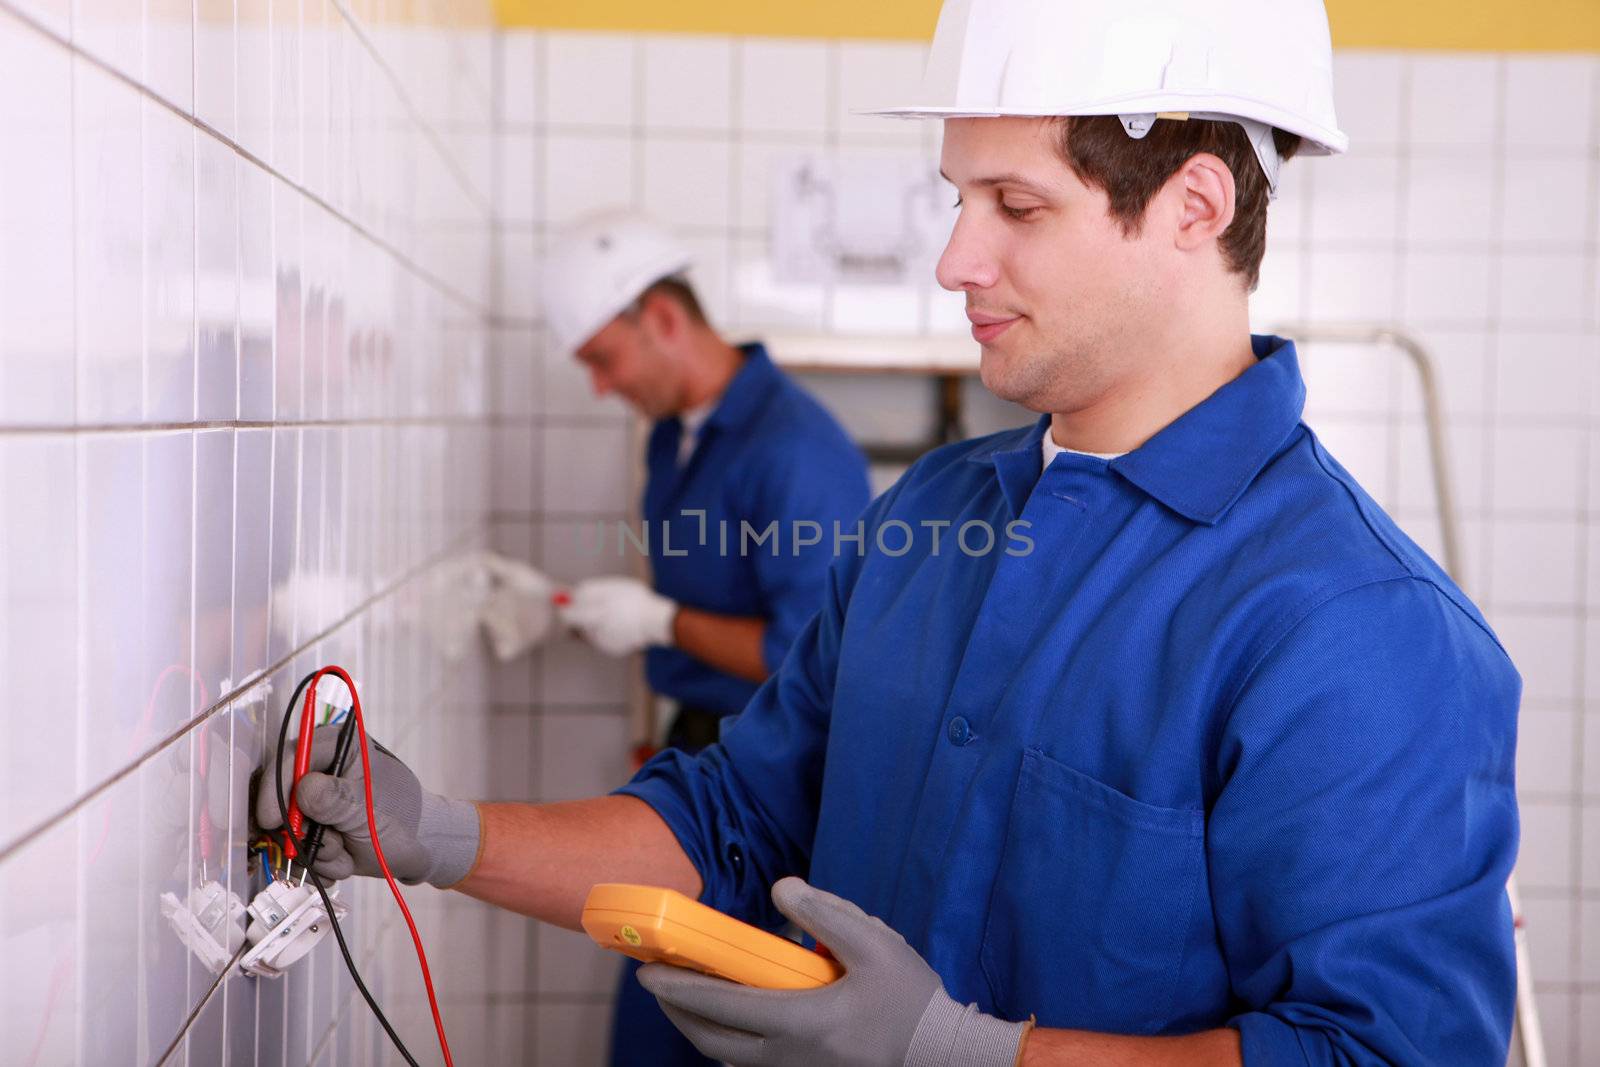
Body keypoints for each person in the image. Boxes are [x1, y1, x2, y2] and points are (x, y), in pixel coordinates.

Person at [255, 1, 1521, 1063]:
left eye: (1014, 206)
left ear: (1193, 206)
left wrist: (965, 1050)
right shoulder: (929, 515)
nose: (955, 258)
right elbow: (732, 819)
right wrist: (443, 836)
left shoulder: (1354, 629)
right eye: (957, 198)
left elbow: (1380, 1050)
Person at [540, 210, 872, 1065]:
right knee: (654, 1024)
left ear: (661, 318)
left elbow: (809, 657)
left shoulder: (794, 449)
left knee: (696, 1037)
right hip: (699, 766)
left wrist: (657, 623)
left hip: (772, 806)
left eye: (602, 361)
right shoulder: (671, 440)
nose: (600, 389)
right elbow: (707, 598)